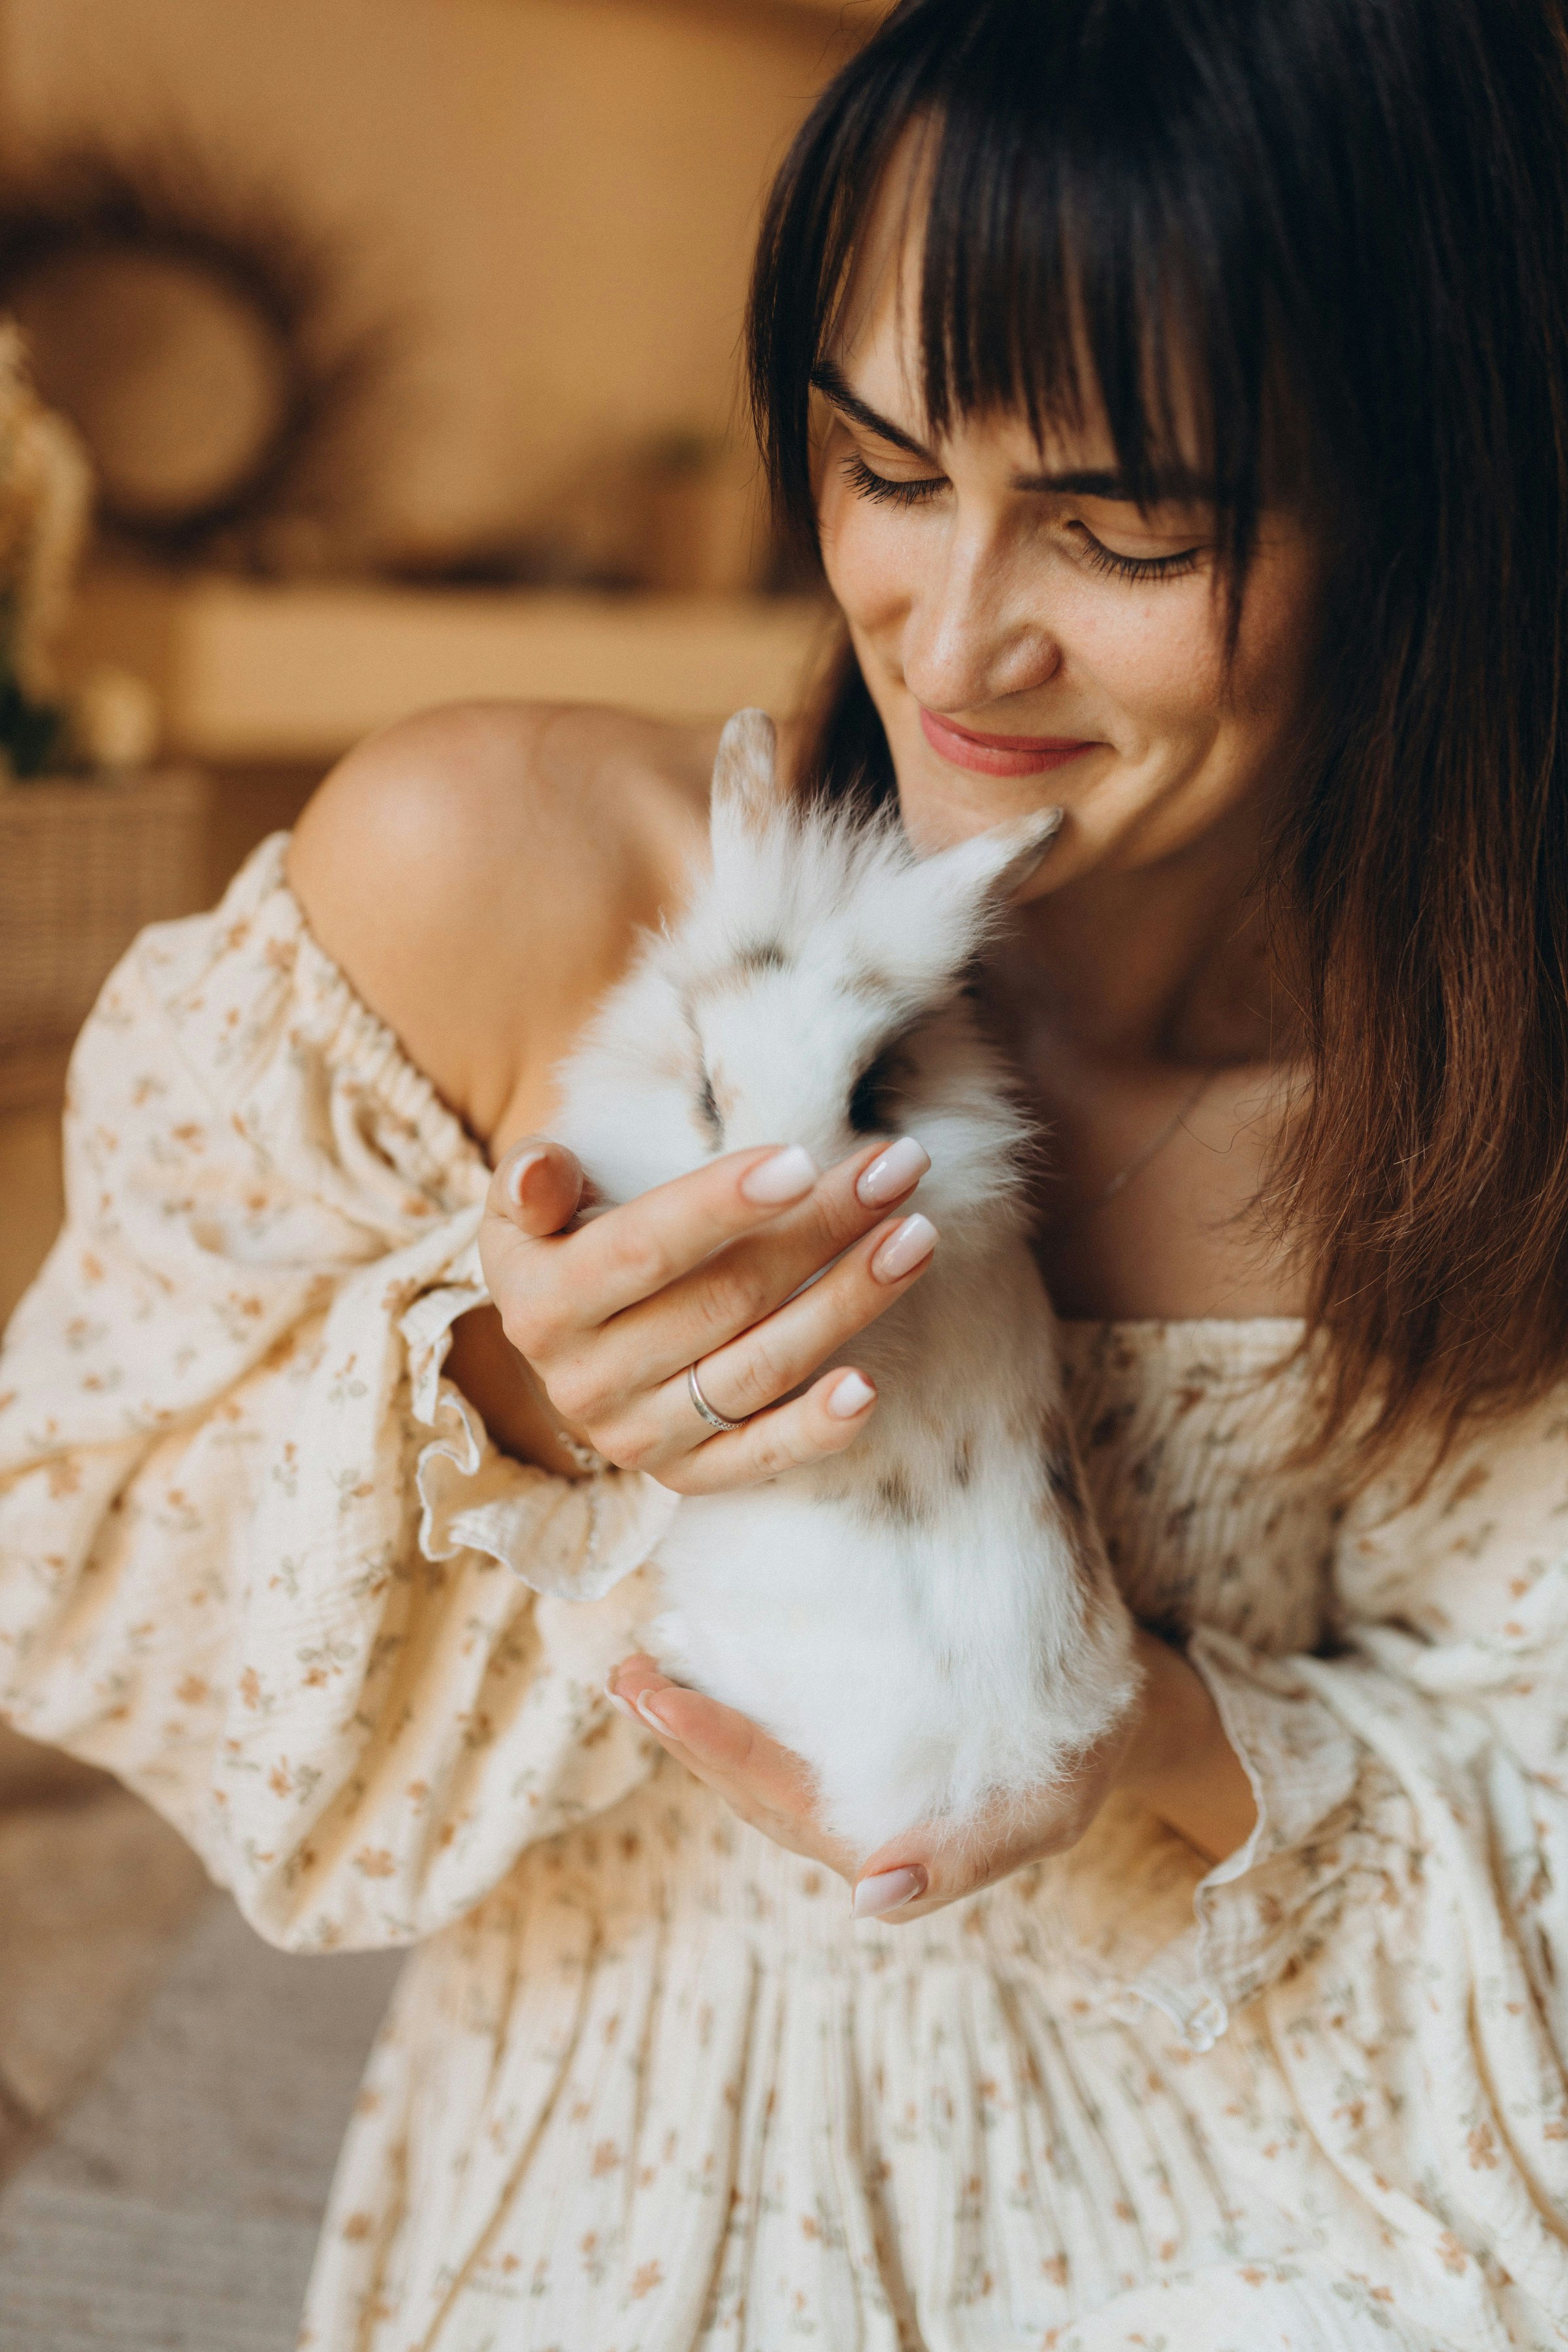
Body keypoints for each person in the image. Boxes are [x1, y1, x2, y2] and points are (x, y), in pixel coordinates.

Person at [3, 0, 1566, 2342]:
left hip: (1284, 2208)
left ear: (1439, 496)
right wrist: (514, 1411)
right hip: (646, 2199)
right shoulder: (502, 873)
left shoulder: (1492, 1108)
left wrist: (1123, 1731)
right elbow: (76, 1580)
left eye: (1130, 523)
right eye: (885, 465)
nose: (956, 635)